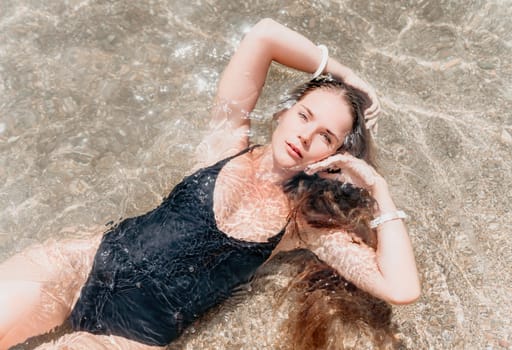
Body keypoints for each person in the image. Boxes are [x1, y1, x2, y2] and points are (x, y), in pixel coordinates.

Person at [0, 18, 420, 349]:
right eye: (305, 116)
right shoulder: (225, 143)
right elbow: (264, 35)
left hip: (129, 336)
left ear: (332, 156)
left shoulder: (304, 224)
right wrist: (346, 76)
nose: (306, 136)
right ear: (282, 115)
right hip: (81, 265)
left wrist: (377, 189)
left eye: (326, 137)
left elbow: (400, 288)